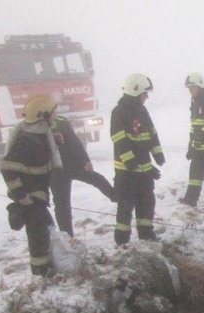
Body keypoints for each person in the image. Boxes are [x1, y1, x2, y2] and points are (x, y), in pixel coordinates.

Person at [1, 95, 59, 276]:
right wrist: (21, 195)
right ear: (43, 116)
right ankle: (41, 270)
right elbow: (7, 167)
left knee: (46, 230)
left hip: (38, 197)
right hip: (30, 198)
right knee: (39, 234)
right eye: (53, 114)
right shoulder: (27, 142)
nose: (55, 117)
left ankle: (46, 268)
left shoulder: (40, 136)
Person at [110, 73, 165, 245]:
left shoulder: (142, 111)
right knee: (125, 206)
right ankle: (122, 240)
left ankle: (146, 234)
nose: (147, 97)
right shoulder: (119, 112)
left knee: (147, 202)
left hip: (144, 169)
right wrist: (130, 162)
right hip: (126, 171)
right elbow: (119, 139)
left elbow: (152, 134)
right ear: (135, 92)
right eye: (144, 93)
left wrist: (158, 156)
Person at [48, 112, 115, 238]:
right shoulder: (44, 126)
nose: (55, 113)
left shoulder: (58, 121)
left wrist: (85, 160)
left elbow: (74, 142)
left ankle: (115, 196)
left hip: (67, 166)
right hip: (59, 169)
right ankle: (68, 237)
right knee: (63, 205)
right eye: (53, 111)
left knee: (95, 179)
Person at [180, 72, 204, 207]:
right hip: (199, 146)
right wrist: (191, 144)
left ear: (200, 86)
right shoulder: (195, 101)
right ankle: (191, 199)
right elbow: (194, 124)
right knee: (195, 174)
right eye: (189, 88)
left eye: (192, 88)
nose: (190, 91)